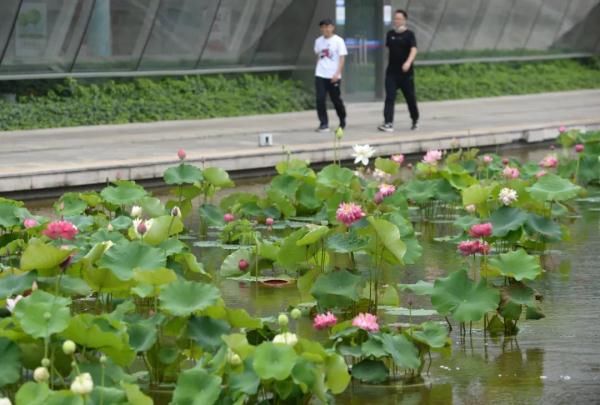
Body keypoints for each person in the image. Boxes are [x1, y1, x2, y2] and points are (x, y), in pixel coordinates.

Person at [378, 9, 419, 132]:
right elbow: (388, 50)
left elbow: (414, 49)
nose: (397, 21)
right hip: (392, 72)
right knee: (390, 97)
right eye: (395, 18)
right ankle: (388, 123)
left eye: (399, 19)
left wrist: (408, 62)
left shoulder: (409, 34)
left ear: (405, 20)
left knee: (410, 98)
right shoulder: (390, 34)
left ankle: (415, 119)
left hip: (406, 74)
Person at [314, 18, 347, 133]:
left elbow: (342, 59)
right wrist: (318, 69)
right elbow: (318, 55)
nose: (325, 29)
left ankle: (342, 120)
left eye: (327, 27)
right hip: (320, 74)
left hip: (333, 75)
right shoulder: (318, 41)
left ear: (332, 27)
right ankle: (324, 123)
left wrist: (337, 73)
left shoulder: (338, 41)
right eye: (323, 27)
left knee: (335, 100)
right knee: (320, 99)